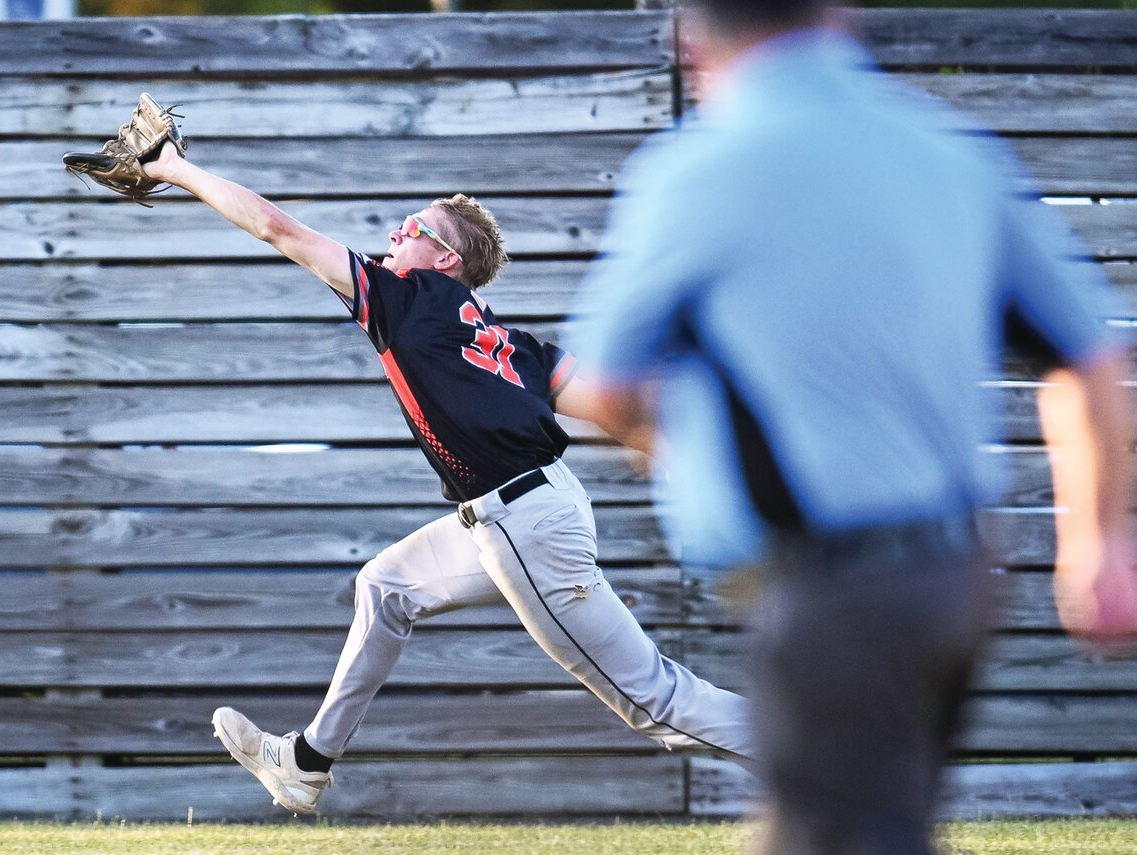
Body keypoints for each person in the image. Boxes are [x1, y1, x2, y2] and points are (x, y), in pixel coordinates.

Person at [566, 0, 1137, 854]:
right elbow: (1090, 357)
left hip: (834, 588)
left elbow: (599, 386)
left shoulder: (697, 171)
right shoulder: (952, 153)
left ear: (696, 44)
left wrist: (680, 447)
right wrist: (1102, 544)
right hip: (957, 575)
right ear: (839, 21)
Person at [121, 138, 755, 814]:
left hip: (524, 522)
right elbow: (611, 406)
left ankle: (850, 757)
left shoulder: (410, 298)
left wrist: (175, 169)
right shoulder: (503, 339)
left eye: (415, 228)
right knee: (386, 585)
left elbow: (278, 228)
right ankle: (305, 762)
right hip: (525, 510)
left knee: (653, 699)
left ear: (446, 260)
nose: (397, 232)